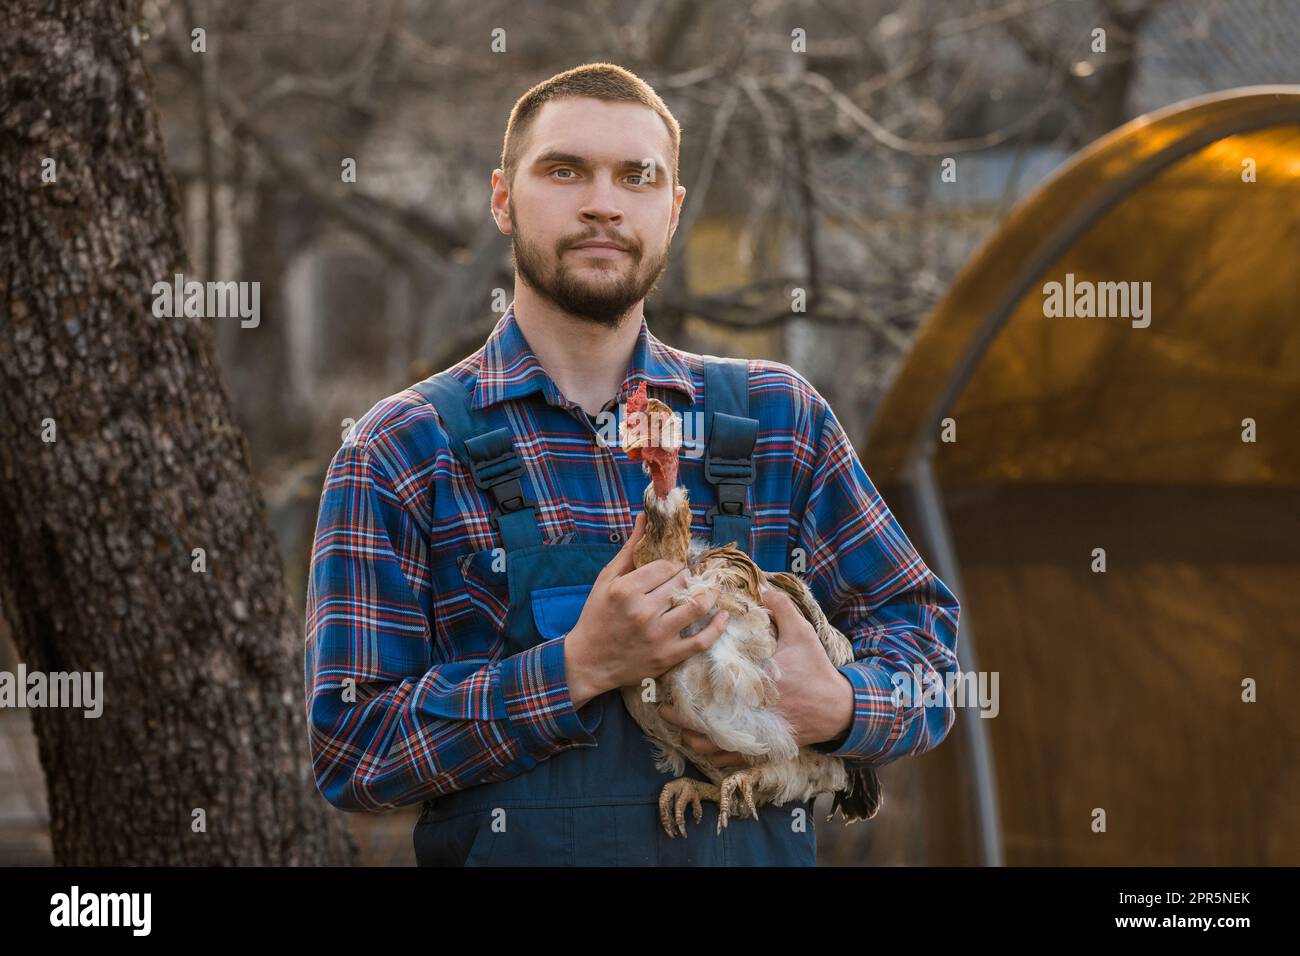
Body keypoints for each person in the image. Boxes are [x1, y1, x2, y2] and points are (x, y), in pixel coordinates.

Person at [304, 62, 961, 866]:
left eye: (637, 177)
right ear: (503, 199)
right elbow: (353, 748)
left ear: (672, 210)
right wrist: (576, 668)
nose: (603, 203)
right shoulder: (402, 449)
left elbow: (929, 649)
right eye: (564, 170)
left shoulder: (776, 420)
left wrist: (839, 702)